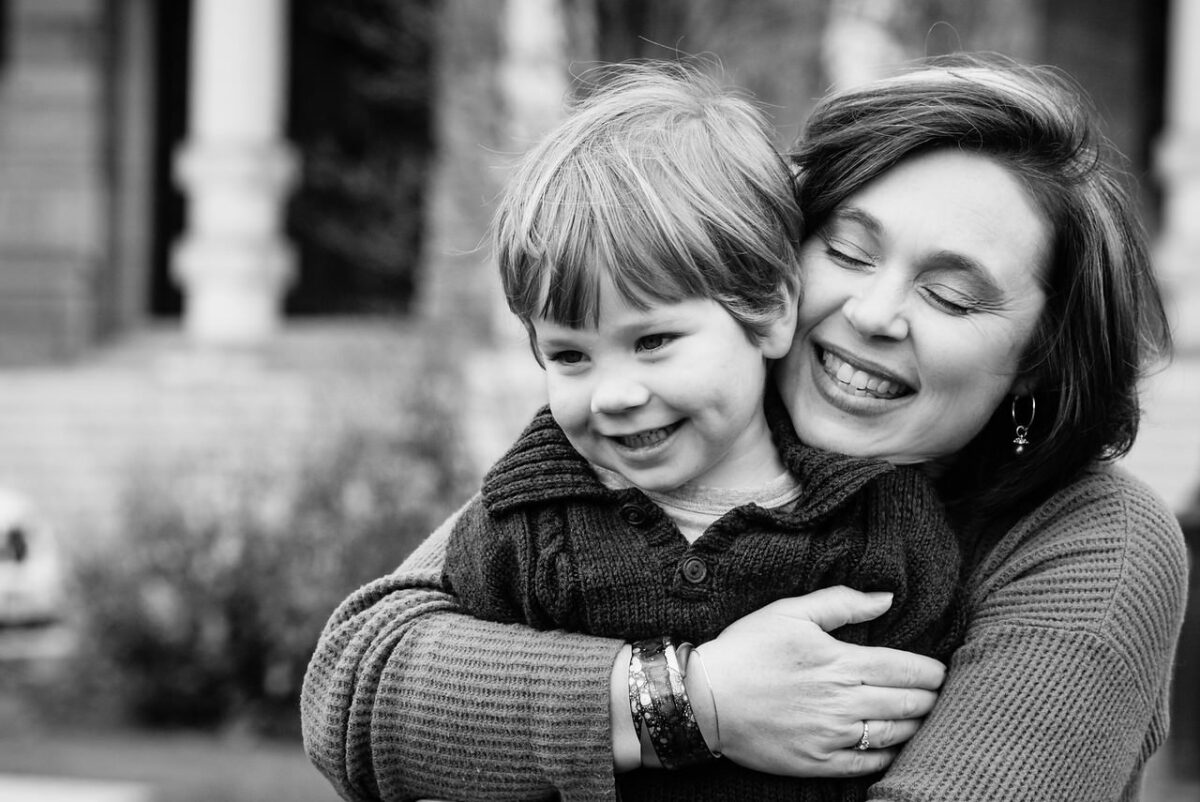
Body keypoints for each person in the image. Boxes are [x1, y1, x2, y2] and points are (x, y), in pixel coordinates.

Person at [301, 54, 1187, 802]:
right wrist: (691, 699)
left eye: (950, 294)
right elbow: (362, 678)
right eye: (847, 251)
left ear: (1039, 355)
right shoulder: (662, 435)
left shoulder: (1091, 542)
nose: (872, 312)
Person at [440, 61, 963, 797]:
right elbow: (446, 742)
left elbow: (918, 740)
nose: (615, 394)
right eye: (569, 355)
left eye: (653, 341)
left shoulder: (880, 527)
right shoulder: (525, 524)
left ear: (773, 311)